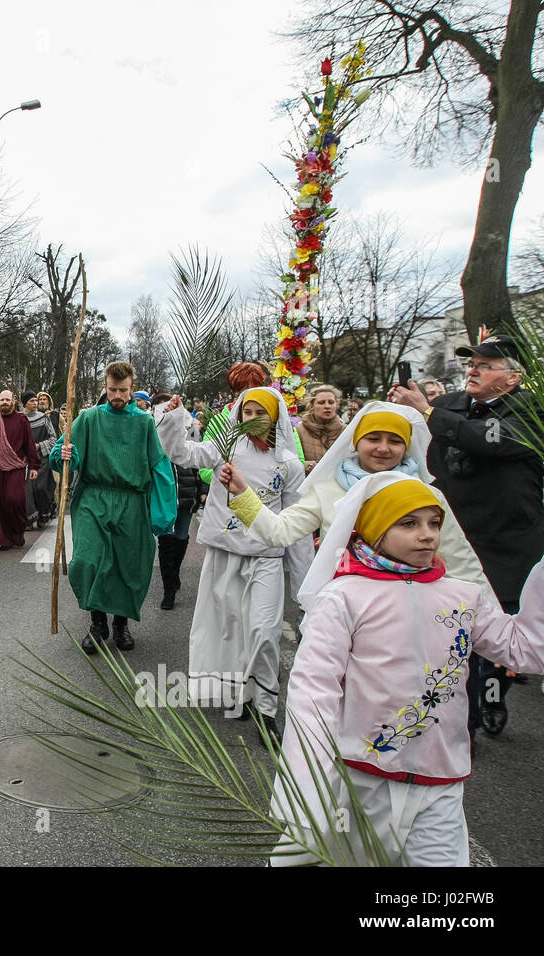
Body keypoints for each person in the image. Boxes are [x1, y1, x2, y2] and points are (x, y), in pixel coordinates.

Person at [272, 472, 544, 866]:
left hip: (440, 785)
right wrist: (308, 781)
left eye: (434, 523)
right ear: (374, 528)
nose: (428, 535)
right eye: (408, 523)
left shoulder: (464, 596)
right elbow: (314, 691)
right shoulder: (343, 598)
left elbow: (526, 650)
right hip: (359, 779)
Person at [389, 335, 544, 739]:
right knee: (456, 627)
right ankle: (465, 718)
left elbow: (488, 440)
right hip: (457, 535)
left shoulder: (531, 409)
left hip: (507, 541)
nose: (473, 369)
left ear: (514, 376)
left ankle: (493, 693)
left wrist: (426, 408)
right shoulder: (451, 403)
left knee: (501, 633)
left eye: (486, 364)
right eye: (472, 362)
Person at [156, 386, 312, 740]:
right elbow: (182, 453)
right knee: (228, 628)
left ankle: (267, 709)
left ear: (275, 417)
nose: (253, 419)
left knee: (263, 631)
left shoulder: (289, 464)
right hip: (225, 552)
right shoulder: (226, 449)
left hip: (266, 559)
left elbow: (297, 527)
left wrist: (306, 590)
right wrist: (174, 417)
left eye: (261, 413)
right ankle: (239, 693)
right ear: (237, 416)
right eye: (247, 412)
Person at [222, 401, 490, 591]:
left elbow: (459, 560)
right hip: (342, 611)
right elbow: (279, 532)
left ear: (407, 447)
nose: (383, 449)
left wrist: (488, 623)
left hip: (413, 613)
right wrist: (242, 494)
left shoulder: (426, 494)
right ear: (357, 442)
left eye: (395, 441)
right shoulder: (327, 489)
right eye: (373, 438)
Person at [54, 362, 176, 652]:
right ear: (105, 387)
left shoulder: (144, 422)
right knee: (87, 560)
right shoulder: (89, 418)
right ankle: (97, 623)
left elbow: (159, 465)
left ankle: (120, 624)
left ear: (132, 388)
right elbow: (64, 452)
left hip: (132, 502)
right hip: (93, 498)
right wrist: (65, 453)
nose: (117, 395)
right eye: (112, 389)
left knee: (127, 565)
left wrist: (163, 511)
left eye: (123, 390)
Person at [150, 392, 200, 610]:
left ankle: (175, 572)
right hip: (164, 492)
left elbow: (201, 458)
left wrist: (202, 489)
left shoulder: (191, 427)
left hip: (186, 489)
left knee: (181, 536)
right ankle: (168, 587)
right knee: (165, 538)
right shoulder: (151, 430)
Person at [0, 390, 40, 550]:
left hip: (16, 466)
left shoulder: (21, 419)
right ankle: (5, 539)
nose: (4, 402)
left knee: (14, 499)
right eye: (2, 399)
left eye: (7, 399)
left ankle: (17, 533)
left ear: (13, 401)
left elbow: (29, 444)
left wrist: (34, 466)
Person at [23, 390, 58, 527]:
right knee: (28, 490)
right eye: (32, 401)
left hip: (42, 458)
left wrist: (39, 446)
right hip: (25, 459)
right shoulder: (21, 419)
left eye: (36, 401)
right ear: (25, 403)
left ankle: (43, 515)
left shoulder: (44, 418)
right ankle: (30, 519)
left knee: (41, 487)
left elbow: (53, 438)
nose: (35, 403)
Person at [295, 385, 344, 473]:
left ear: (337, 406)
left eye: (331, 402)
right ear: (311, 406)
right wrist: (304, 465)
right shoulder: (299, 430)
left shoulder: (345, 430)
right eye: (321, 402)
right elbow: (291, 461)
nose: (327, 406)